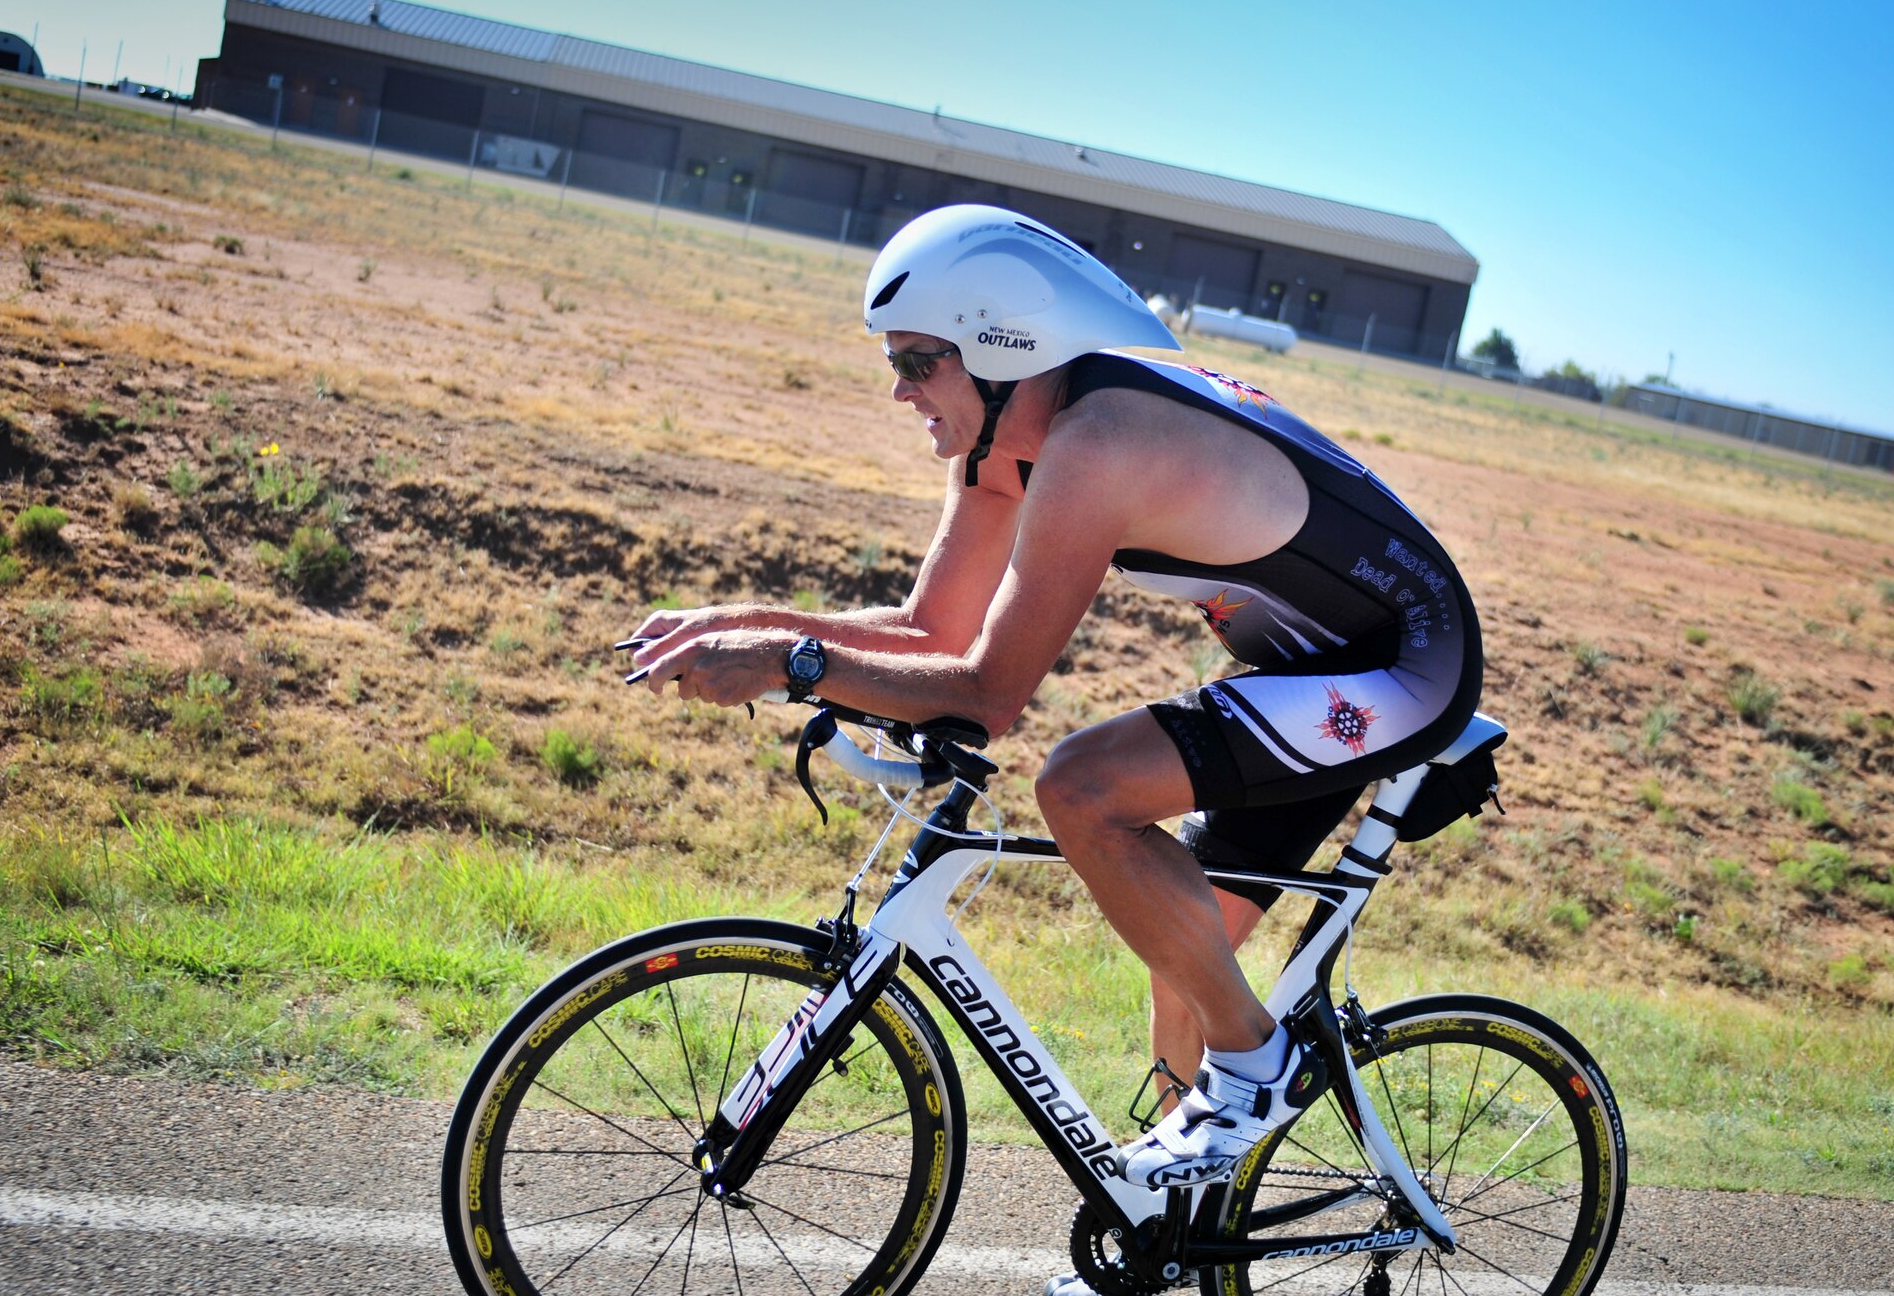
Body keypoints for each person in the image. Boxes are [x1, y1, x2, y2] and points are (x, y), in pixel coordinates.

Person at [627, 205, 1482, 1215]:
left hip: (1402, 662)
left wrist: (788, 659)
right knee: (1186, 945)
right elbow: (933, 630)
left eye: (915, 359)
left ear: (1000, 346)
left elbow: (987, 692)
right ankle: (1171, 1232)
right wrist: (746, 623)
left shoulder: (1097, 443)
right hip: (1305, 665)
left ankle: (1260, 1066)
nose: (895, 388)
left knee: (1079, 786)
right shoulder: (998, 447)